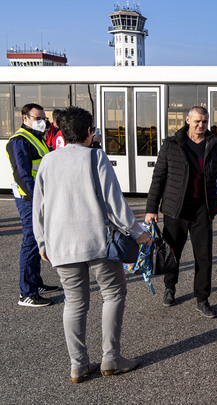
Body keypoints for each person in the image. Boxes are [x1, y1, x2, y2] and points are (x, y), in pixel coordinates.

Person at [33, 106, 152, 383]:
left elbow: (38, 207)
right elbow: (114, 203)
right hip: (98, 243)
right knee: (113, 294)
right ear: (89, 132)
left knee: (74, 303)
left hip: (61, 245)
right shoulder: (96, 157)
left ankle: (78, 365)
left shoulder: (48, 161)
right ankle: (111, 357)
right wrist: (137, 232)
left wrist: (42, 242)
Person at [145, 106, 217, 318]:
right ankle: (170, 287)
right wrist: (151, 208)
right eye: (196, 121)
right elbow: (158, 177)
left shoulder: (215, 145)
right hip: (176, 209)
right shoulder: (172, 144)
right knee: (172, 253)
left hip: (202, 209)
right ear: (187, 120)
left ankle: (202, 298)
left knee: (204, 257)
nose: (200, 125)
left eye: (204, 121)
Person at [7, 103, 60, 307]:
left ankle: (35, 283)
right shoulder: (19, 141)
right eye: (37, 118)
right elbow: (22, 175)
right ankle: (26, 293)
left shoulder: (35, 138)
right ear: (25, 118)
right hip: (29, 199)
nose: (42, 122)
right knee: (31, 241)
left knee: (38, 241)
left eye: (43, 118)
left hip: (38, 197)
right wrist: (36, 198)